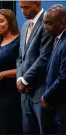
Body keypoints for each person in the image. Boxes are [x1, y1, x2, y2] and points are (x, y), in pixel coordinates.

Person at [17, 1, 55, 134]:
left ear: (37, 4)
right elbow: (20, 57)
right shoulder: (25, 25)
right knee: (28, 130)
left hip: (40, 89)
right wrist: (20, 79)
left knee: (44, 129)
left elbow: (44, 57)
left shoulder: (48, 22)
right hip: (24, 91)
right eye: (21, 7)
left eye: (27, 7)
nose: (23, 11)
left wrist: (26, 80)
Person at [42, 4, 66, 134]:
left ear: (62, 21)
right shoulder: (57, 39)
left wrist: (47, 96)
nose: (44, 27)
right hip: (57, 108)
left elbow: (64, 77)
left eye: (48, 23)